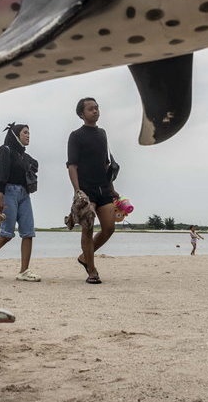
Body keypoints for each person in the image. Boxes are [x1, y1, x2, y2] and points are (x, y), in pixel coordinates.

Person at [0, 123, 41, 282]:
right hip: (8, 193)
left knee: (28, 233)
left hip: (24, 194)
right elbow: (2, 173)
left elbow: (33, 168)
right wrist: (0, 195)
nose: (28, 135)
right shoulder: (5, 150)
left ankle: (24, 271)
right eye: (25, 132)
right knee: (6, 234)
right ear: (15, 135)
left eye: (29, 132)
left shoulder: (24, 156)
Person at [67, 98, 120, 284]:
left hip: (103, 187)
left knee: (109, 227)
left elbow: (106, 163)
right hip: (86, 189)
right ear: (82, 114)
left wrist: (112, 188)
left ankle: (84, 257)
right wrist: (77, 191)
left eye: (97, 108)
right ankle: (92, 270)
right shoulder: (76, 136)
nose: (95, 111)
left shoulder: (102, 134)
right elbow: (72, 166)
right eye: (91, 109)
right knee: (87, 230)